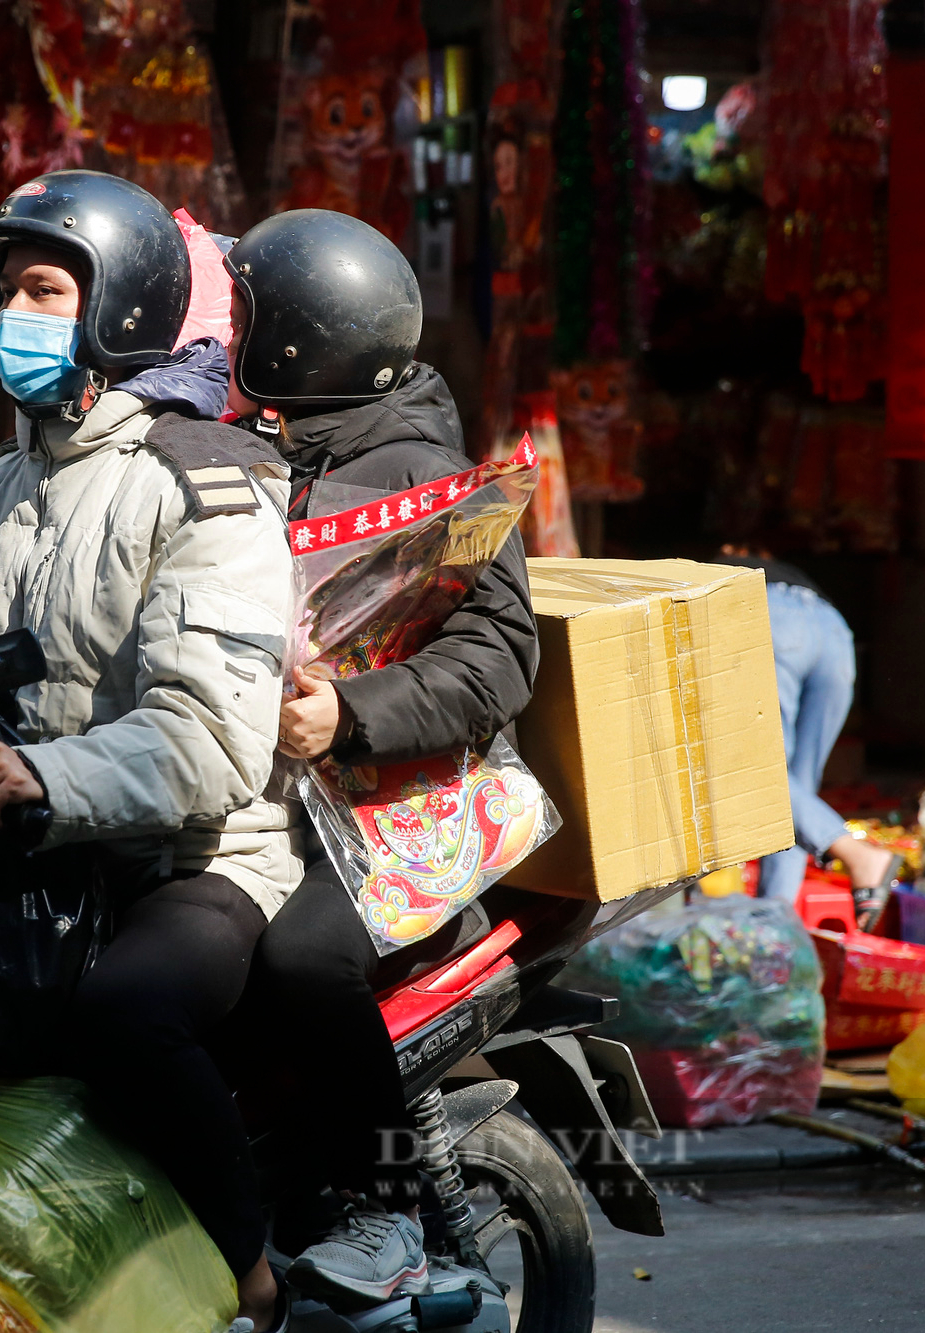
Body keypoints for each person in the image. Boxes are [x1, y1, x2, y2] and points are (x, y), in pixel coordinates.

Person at [0, 170, 298, 1332]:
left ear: (116, 312)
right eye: (10, 292)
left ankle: (248, 1273)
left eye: (45, 291)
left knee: (120, 1012)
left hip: (194, 853)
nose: (15, 316)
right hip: (39, 849)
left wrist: (46, 775)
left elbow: (210, 738)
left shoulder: (204, 480)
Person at [224, 210, 540, 1305]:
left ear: (300, 339)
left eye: (246, 318)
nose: (228, 336)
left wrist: (348, 712)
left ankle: (379, 1209)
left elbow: (499, 655)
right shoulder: (255, 446)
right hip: (284, 800)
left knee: (298, 960)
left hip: (414, 809)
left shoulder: (425, 475)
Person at [715, 546, 897, 919]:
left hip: (771, 621)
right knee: (795, 783)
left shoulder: (710, 568)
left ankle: (855, 854)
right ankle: (774, 917)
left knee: (757, 772)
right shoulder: (785, 568)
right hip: (833, 630)